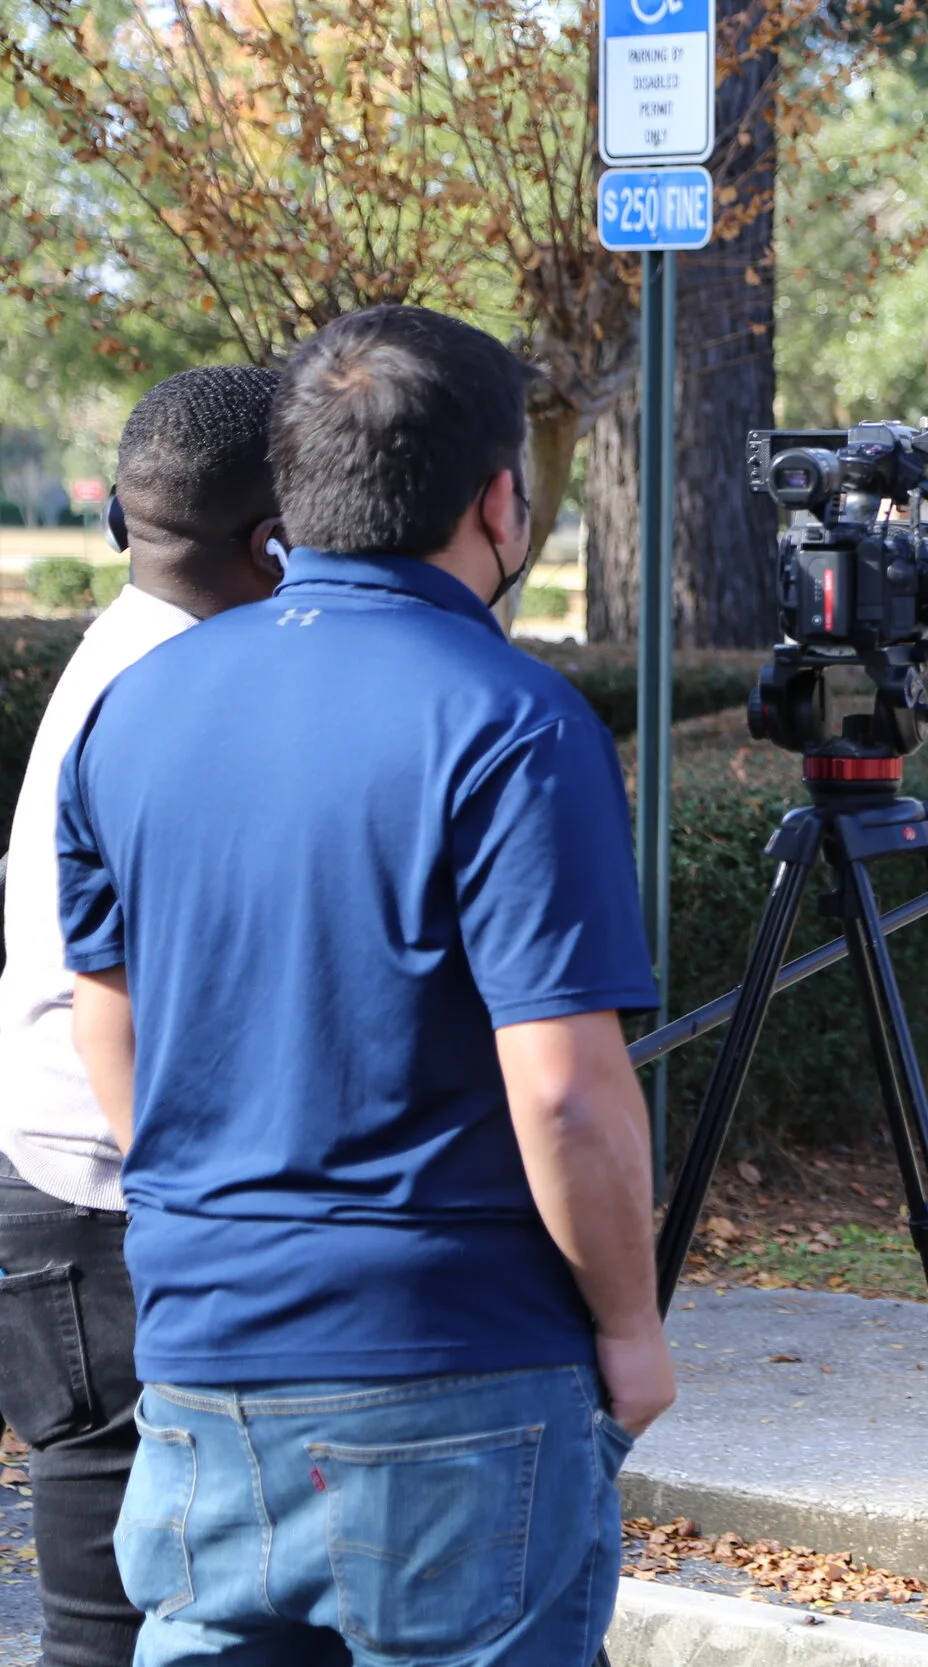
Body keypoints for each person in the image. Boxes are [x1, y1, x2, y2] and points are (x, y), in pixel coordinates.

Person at [55, 303, 671, 1666]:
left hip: (200, 1359)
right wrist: (630, 1326)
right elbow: (566, 1089)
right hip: (456, 1361)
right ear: (500, 498)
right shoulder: (513, 719)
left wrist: (211, 1217)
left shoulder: (134, 706)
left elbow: (106, 1014)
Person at [0, 365, 288, 1667]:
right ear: (279, 534)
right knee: (115, 1621)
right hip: (116, 1208)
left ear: (124, 512)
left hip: (69, 1191)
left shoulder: (132, 654)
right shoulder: (184, 698)